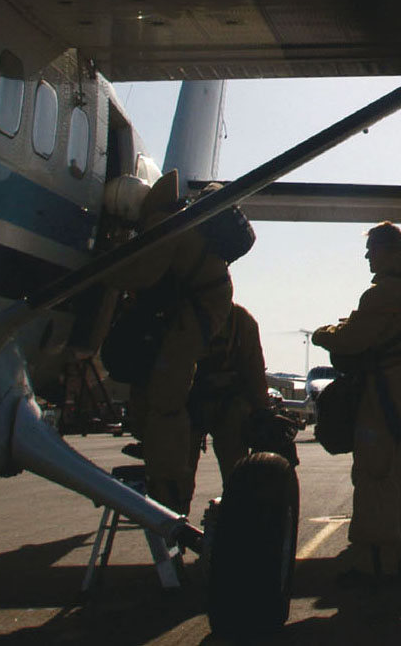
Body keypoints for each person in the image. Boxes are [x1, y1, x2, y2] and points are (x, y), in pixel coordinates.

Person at [312, 222, 401, 587]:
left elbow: (353, 339)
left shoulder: (383, 293)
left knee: (374, 473)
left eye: (373, 249)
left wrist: (324, 334)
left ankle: (375, 564)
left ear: (388, 251)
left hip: (385, 391)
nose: (368, 256)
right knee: (399, 468)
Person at [112, 171, 239, 514]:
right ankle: (165, 467)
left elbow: (143, 275)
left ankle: (170, 483)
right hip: (204, 305)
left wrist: (109, 266)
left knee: (167, 396)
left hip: (196, 311)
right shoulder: (185, 225)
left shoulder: (167, 225)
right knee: (163, 390)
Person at [188, 302, 279, 491]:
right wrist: (262, 410)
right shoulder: (240, 319)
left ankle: (169, 517)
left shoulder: (180, 313)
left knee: (174, 483)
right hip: (221, 407)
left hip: (192, 406)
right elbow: (254, 372)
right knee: (236, 479)